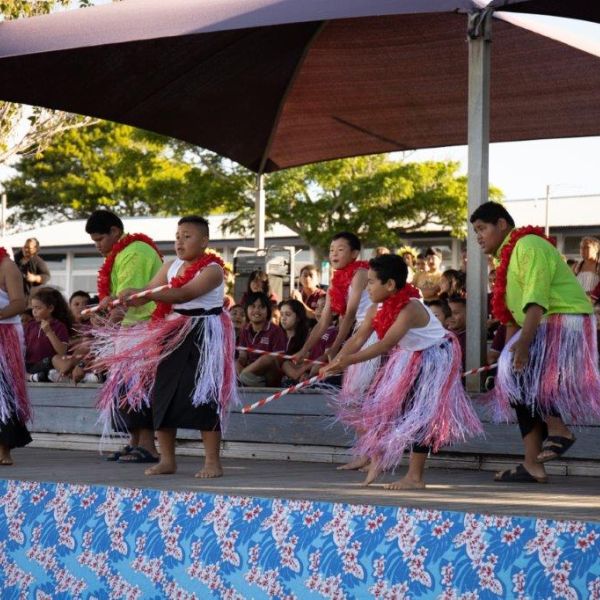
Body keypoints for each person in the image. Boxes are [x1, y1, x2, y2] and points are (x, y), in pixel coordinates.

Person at [94, 216, 239, 478]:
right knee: (162, 393)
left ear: (204, 241)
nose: (180, 242)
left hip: (202, 333)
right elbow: (146, 292)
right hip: (172, 332)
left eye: (187, 236)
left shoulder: (213, 270)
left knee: (204, 397)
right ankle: (167, 459)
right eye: (177, 236)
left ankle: (212, 462)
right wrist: (123, 297)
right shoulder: (171, 266)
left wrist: (145, 294)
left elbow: (182, 295)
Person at [321, 254, 482, 489]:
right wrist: (336, 360)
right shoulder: (376, 307)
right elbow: (358, 338)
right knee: (387, 406)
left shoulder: (410, 309)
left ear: (390, 285)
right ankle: (379, 456)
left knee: (419, 412)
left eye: (372, 282)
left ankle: (415, 477)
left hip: (437, 354)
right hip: (411, 352)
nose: (367, 287)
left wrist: (346, 361)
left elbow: (384, 345)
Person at [471, 201, 600, 484]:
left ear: (502, 225)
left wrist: (524, 344)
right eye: (475, 231)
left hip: (562, 319)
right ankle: (532, 464)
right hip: (541, 322)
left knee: (524, 375)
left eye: (482, 228)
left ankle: (559, 430)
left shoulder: (528, 244)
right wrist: (500, 350)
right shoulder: (506, 257)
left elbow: (536, 298)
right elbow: (511, 313)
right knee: (516, 383)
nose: (478, 236)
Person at [85, 209, 163, 464]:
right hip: (130, 330)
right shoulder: (122, 253)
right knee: (125, 389)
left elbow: (128, 300)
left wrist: (104, 323)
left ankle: (149, 446)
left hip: (143, 328)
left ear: (115, 232)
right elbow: (116, 300)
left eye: (99, 239)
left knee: (138, 388)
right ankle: (135, 442)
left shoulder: (135, 252)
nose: (98, 246)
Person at [0, 246, 32, 464]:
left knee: (4, 390)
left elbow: (19, 303)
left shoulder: (7, 266)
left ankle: (4, 450)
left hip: (4, 334)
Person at [236, 292, 287, 387]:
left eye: (261, 307)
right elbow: (243, 356)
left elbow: (278, 361)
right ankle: (244, 379)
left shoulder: (276, 330)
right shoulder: (244, 330)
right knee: (235, 362)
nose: (256, 310)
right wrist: (239, 363)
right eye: (253, 306)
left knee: (267, 358)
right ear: (246, 310)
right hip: (250, 374)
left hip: (270, 378)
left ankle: (243, 378)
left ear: (268, 310)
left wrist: (257, 366)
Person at [25, 287, 72, 382]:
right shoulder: (30, 325)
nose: (34, 311)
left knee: (56, 359)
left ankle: (67, 377)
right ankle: (33, 377)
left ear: (50, 308)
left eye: (38, 308)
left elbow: (62, 351)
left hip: (51, 364)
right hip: (32, 366)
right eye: (33, 308)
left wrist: (49, 332)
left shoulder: (59, 326)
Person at [279, 299, 310, 384]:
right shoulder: (276, 335)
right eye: (281, 315)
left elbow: (307, 360)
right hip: (276, 376)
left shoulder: (307, 336)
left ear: (298, 317)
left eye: (288, 314)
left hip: (299, 376)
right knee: (283, 363)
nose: (283, 318)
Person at [447, 295, 467, 371]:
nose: (450, 317)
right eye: (448, 313)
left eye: (455, 313)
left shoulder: (475, 337)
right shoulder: (441, 337)